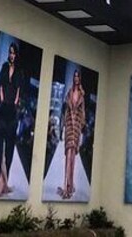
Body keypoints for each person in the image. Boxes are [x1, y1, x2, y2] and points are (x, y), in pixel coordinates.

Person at [0, 42, 23, 197]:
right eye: (10, 52)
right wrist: (3, 99)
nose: (11, 55)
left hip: (13, 111)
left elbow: (19, 89)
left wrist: (15, 103)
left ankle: (4, 182)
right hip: (2, 108)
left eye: (13, 53)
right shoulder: (4, 66)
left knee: (9, 148)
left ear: (17, 55)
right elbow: (1, 85)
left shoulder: (19, 71)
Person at [58, 69, 86, 199]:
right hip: (69, 126)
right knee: (68, 155)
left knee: (72, 158)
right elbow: (65, 110)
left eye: (77, 77)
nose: (76, 78)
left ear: (79, 79)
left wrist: (81, 128)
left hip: (76, 129)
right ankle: (65, 186)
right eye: (74, 76)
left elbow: (83, 114)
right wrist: (63, 125)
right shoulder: (69, 93)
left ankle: (70, 185)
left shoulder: (82, 96)